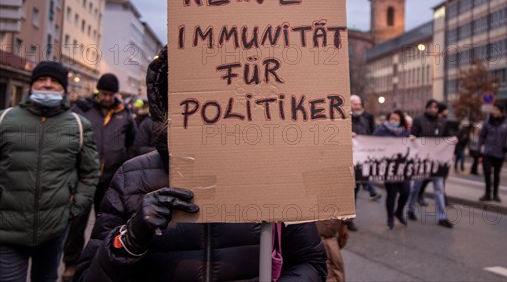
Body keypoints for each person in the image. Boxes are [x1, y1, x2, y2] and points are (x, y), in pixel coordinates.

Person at [73, 46, 327, 281]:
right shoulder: (132, 178)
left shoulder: (274, 175)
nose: (216, 110)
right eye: (198, 97)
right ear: (169, 102)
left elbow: (311, 264)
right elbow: (87, 276)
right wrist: (130, 239)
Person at [0, 61, 99, 282]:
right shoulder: (5, 120)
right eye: (41, 80)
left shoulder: (79, 125)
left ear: (64, 88)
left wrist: (74, 208)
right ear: (31, 85)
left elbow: (90, 173)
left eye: (54, 81)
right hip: (7, 231)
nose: (47, 85)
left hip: (54, 230)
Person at [62, 74, 138, 281]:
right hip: (84, 176)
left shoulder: (124, 113)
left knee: (106, 222)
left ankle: (102, 261)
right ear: (98, 91)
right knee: (78, 221)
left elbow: (133, 139)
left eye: (110, 94)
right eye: (103, 93)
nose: (106, 98)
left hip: (111, 177)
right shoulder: (82, 110)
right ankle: (71, 263)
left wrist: (126, 162)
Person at [407, 99, 454, 228]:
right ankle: (410, 209)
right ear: (427, 107)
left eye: (435, 107)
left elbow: (447, 137)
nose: (433, 109)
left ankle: (442, 217)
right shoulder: (418, 120)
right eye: (431, 107)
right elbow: (413, 135)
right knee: (416, 186)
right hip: (422, 160)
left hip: (437, 161)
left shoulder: (443, 122)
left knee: (439, 188)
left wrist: (452, 140)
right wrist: (412, 138)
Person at [373, 110, 411, 229]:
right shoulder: (381, 130)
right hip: (388, 168)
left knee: (405, 192)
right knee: (392, 194)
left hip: (402, 169)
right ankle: (390, 217)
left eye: (396, 119)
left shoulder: (405, 132)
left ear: (401, 121)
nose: (393, 121)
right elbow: (370, 142)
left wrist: (413, 140)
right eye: (392, 119)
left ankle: (398, 212)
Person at [349, 95, 381, 232]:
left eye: (358, 103)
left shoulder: (368, 117)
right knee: (352, 190)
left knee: (359, 184)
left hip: (363, 156)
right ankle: (348, 219)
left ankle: (349, 219)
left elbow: (373, 133)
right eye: (354, 103)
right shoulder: (345, 116)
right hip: (350, 157)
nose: (357, 105)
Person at [477, 103, 507, 203]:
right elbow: (481, 136)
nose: (493, 111)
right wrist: (479, 149)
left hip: (500, 152)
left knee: (496, 174)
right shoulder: (487, 123)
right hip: (487, 152)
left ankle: (495, 195)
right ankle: (487, 194)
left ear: (501, 112)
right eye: (493, 109)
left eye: (496, 110)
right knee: (487, 172)